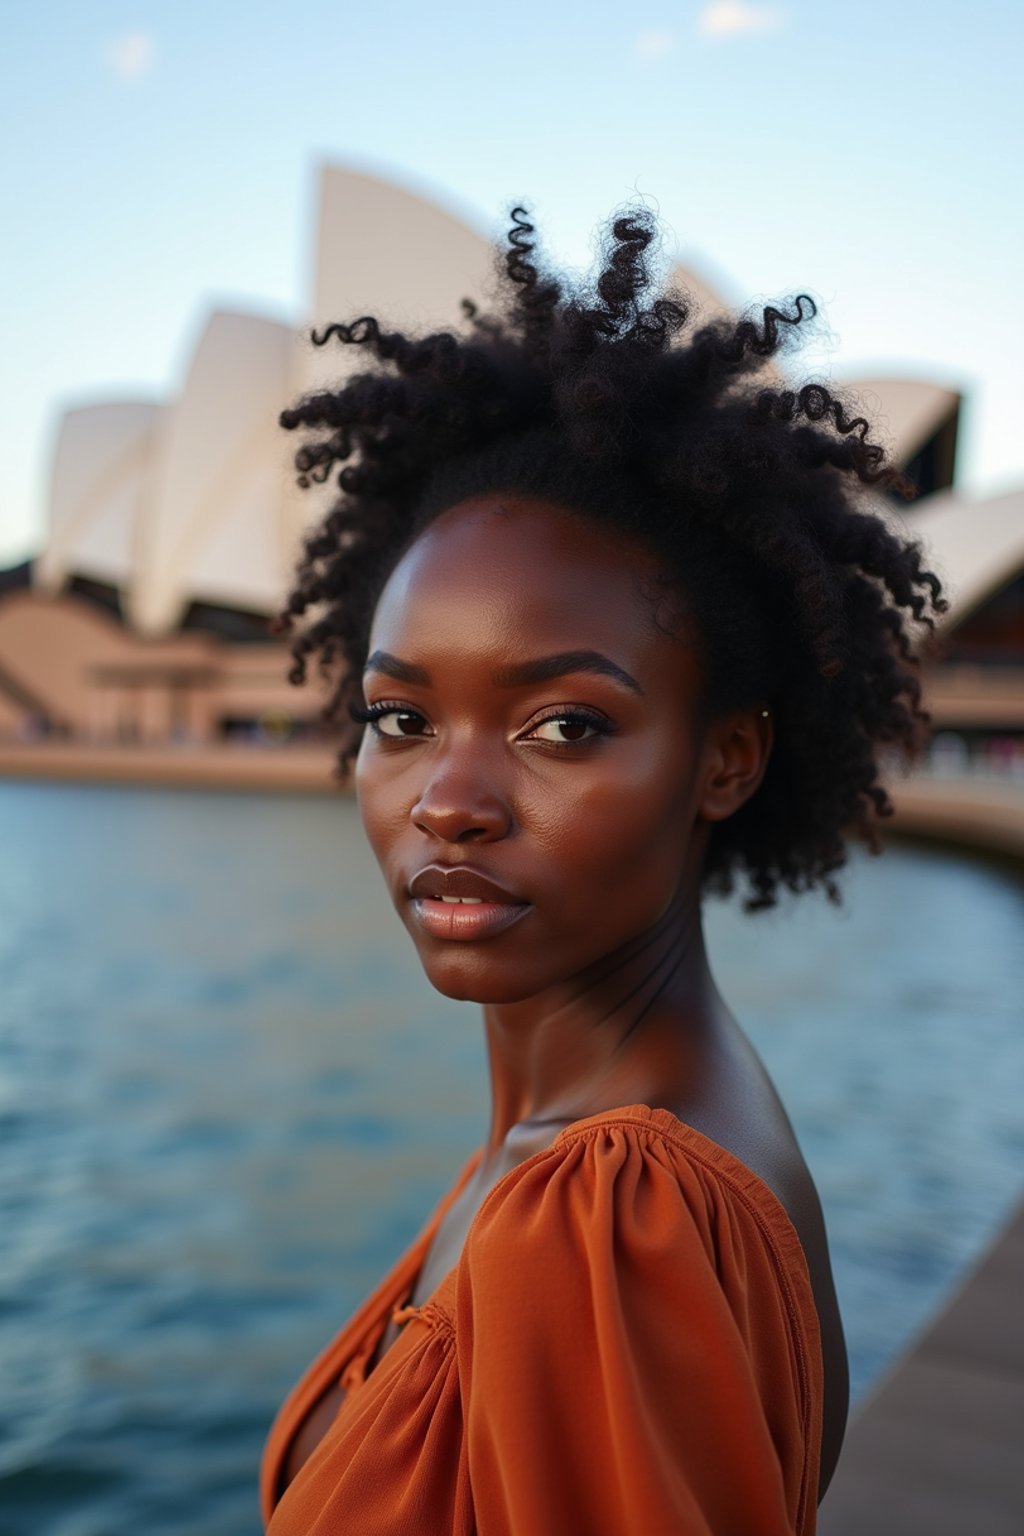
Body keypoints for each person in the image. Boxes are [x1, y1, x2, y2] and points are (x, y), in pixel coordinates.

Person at [259, 206, 945, 1535]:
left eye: (563, 726)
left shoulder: (608, 1219)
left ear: (726, 760)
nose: (447, 803)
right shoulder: (627, 1134)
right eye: (401, 719)